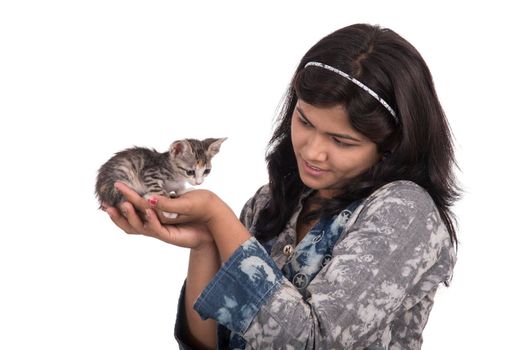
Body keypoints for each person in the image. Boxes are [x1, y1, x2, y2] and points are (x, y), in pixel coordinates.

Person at [103, 23, 460, 349]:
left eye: (341, 141)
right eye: (304, 120)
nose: (312, 151)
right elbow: (210, 345)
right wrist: (206, 242)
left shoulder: (405, 212)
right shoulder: (269, 203)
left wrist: (218, 217)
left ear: (391, 143)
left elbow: (313, 343)